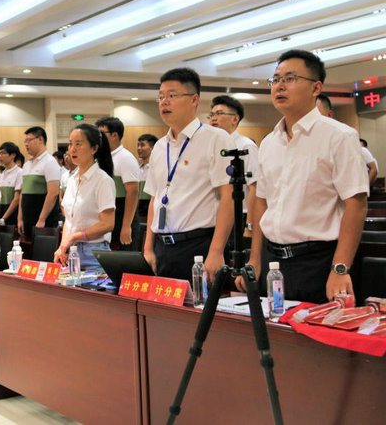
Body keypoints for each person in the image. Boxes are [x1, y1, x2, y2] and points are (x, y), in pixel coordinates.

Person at [238, 50, 368, 304]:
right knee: (269, 328)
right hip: (272, 260)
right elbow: (262, 202)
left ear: (316, 88)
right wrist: (254, 259)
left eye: (290, 78)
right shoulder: (269, 143)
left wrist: (340, 268)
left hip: (316, 261)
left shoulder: (339, 136)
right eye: (276, 80)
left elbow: (356, 204)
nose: (280, 86)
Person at [143, 68, 234, 283]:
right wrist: (148, 248)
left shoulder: (215, 138)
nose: (164, 102)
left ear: (194, 99)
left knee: (200, 305)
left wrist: (216, 251)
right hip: (163, 247)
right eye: (161, 97)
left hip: (199, 246)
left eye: (172, 95)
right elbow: (155, 199)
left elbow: (228, 196)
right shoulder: (159, 146)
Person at [53, 124, 115, 272]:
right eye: (70, 144)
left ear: (94, 149)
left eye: (78, 144)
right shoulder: (71, 179)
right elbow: (69, 220)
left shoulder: (103, 180)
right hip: (71, 252)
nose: (72, 149)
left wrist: (74, 237)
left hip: (95, 253)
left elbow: (107, 224)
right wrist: (63, 246)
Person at [208, 95, 258, 242]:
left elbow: (254, 187)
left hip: (238, 216)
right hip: (213, 217)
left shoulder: (246, 146)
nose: (213, 119)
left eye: (219, 114)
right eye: (211, 115)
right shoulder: (211, 146)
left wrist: (249, 225)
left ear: (235, 119)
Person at [96, 117, 140, 249]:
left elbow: (133, 192)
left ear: (114, 135)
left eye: (101, 134)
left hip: (122, 218)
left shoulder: (125, 158)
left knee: (124, 259)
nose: (99, 138)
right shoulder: (102, 158)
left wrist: (126, 226)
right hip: (107, 218)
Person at [18, 126, 60, 238]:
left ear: (40, 139)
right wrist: (20, 218)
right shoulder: (27, 165)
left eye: (29, 140)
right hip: (28, 220)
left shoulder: (50, 162)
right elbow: (23, 193)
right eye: (25, 141)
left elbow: (53, 193)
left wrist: (42, 219)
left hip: (44, 221)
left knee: (43, 248)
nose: (26, 144)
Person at [0, 141, 23, 225]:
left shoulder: (19, 172)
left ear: (13, 155)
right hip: (1, 213)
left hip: (13, 216)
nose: (0, 156)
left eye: (3, 153)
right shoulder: (2, 174)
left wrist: (4, 218)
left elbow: (16, 199)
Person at [136, 133, 157, 219]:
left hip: (151, 211)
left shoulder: (156, 168)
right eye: (138, 145)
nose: (139, 148)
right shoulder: (137, 169)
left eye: (142, 145)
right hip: (138, 212)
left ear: (152, 148)